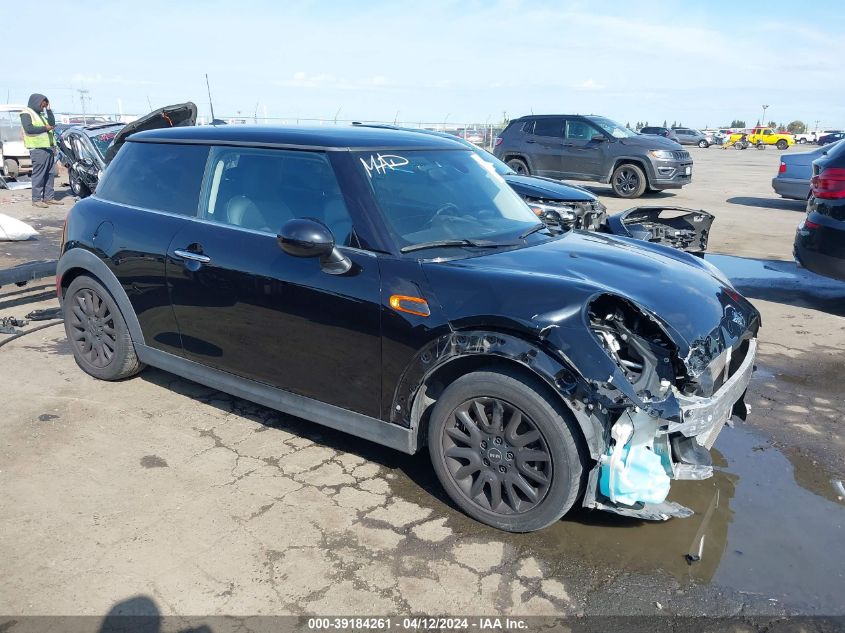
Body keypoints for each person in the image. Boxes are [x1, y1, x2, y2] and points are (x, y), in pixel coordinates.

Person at [19, 93, 63, 208]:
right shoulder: (26, 113)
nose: (44, 106)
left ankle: (49, 198)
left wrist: (49, 110)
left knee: (50, 174)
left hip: (48, 148)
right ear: (37, 101)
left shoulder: (41, 115)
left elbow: (52, 124)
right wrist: (45, 128)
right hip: (37, 150)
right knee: (39, 175)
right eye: (43, 104)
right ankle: (36, 199)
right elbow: (29, 128)